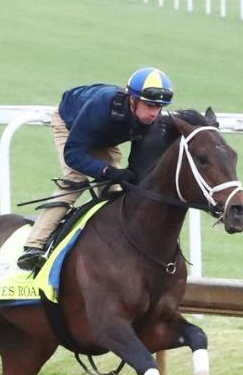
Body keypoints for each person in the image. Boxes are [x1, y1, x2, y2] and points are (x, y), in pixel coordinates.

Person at [16, 67, 174, 272]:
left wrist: (129, 177)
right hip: (72, 126)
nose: (154, 113)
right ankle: (33, 246)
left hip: (105, 136)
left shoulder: (149, 119)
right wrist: (108, 172)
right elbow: (73, 154)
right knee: (76, 180)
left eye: (160, 107)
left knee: (117, 191)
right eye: (150, 105)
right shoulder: (101, 106)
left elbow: (138, 163)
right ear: (132, 99)